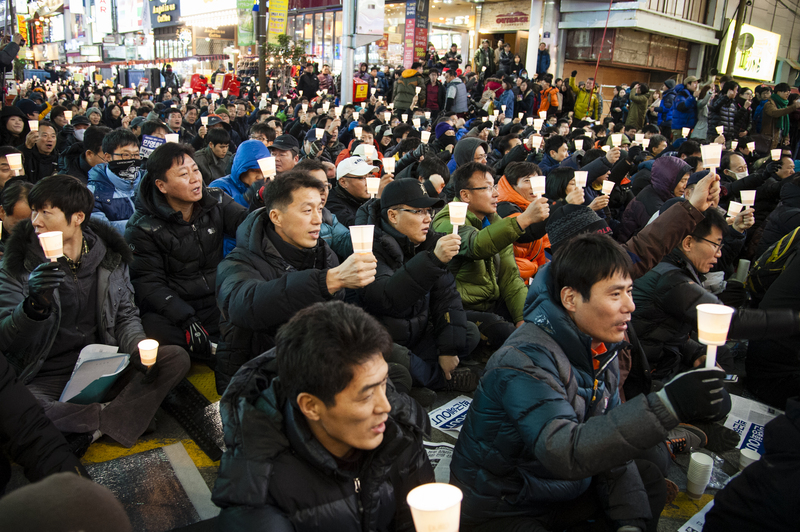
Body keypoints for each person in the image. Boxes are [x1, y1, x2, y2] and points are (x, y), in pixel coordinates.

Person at [451, 232, 731, 531]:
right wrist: (668, 405)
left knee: (646, 481)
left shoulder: (601, 349)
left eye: (630, 291)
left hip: (559, 490)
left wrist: (630, 524)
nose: (630, 306)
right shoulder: (523, 359)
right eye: (615, 294)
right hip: (507, 506)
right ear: (570, 298)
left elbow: (611, 451)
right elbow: (563, 450)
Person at [0, 175, 190, 453]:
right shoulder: (17, 265)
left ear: (77, 217)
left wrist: (137, 350)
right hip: (44, 374)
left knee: (174, 358)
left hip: (102, 367)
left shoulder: (110, 257)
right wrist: (32, 307)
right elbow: (6, 340)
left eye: (45, 212)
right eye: (34, 211)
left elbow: (125, 315)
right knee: (17, 407)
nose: (35, 221)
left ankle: (89, 425)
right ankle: (115, 417)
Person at [212, 301, 434, 530]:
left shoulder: (398, 433)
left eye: (384, 383)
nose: (386, 406)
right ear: (311, 406)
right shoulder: (257, 496)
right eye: (366, 396)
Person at [214, 172, 376, 393]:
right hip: (257, 379)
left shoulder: (323, 253)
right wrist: (327, 281)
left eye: (320, 208)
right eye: (307, 210)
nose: (318, 219)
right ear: (276, 217)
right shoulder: (238, 262)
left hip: (313, 361)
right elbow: (244, 305)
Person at [632, 208, 800, 379]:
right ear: (688, 243)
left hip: (656, 357)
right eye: (715, 244)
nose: (719, 253)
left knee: (720, 355)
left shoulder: (666, 263)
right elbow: (729, 322)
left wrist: (695, 353)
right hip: (648, 373)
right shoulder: (672, 280)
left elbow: (665, 335)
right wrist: (795, 320)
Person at [125, 143, 248, 363]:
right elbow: (148, 283)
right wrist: (185, 318)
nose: (195, 179)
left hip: (217, 297)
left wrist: (262, 201)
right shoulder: (142, 227)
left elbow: (247, 225)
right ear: (161, 186)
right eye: (184, 174)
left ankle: (218, 349)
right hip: (177, 305)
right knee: (154, 330)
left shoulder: (215, 200)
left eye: (196, 170)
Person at [357, 179, 481, 392]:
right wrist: (432, 261)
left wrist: (448, 349)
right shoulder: (368, 246)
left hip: (419, 333)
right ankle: (440, 381)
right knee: (398, 359)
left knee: (467, 332)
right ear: (393, 216)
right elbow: (387, 299)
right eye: (418, 212)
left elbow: (447, 298)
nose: (427, 219)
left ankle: (421, 379)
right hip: (383, 338)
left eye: (429, 212)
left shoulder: (429, 242)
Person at [432, 162, 549, 347]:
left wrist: (523, 318)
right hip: (458, 309)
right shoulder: (447, 222)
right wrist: (524, 219)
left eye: (495, 186)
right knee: (504, 332)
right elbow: (476, 245)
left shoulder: (494, 220)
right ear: (465, 195)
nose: (496, 193)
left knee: (541, 319)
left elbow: (510, 276)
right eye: (487, 188)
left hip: (491, 303)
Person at [209, 139, 271, 255]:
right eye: (254, 171)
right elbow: (222, 220)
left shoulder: (267, 185)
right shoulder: (219, 187)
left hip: (259, 246)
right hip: (231, 250)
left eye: (263, 171)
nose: (260, 176)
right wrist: (250, 195)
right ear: (241, 169)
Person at [496, 162, 550, 283]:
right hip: (513, 280)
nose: (533, 186)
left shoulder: (529, 205)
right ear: (512, 185)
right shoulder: (504, 208)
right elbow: (525, 233)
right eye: (527, 181)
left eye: (536, 181)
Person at [87, 129, 142, 234]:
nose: (132, 160)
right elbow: (104, 236)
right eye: (125, 155)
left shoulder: (148, 183)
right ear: (107, 157)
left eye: (136, 155)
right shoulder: (94, 192)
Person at [326, 156, 377, 227]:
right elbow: (357, 228)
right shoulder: (332, 203)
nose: (368, 182)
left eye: (370, 176)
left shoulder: (364, 198)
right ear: (343, 182)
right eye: (361, 178)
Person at [762, 82, 800, 149]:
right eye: (786, 92)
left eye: (789, 92)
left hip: (780, 140)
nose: (788, 94)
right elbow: (775, 113)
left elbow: (785, 124)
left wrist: (786, 138)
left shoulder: (784, 105)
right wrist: (793, 107)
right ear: (779, 92)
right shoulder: (769, 104)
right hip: (769, 138)